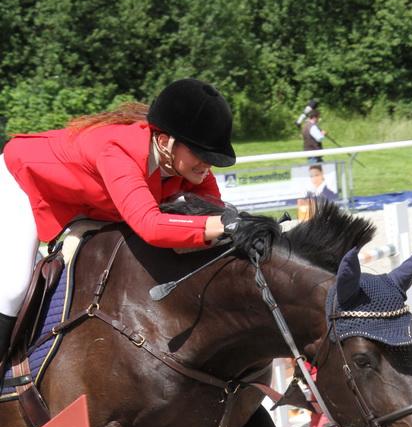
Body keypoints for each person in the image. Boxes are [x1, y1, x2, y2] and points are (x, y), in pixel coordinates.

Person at [0, 78, 237, 370]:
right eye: (201, 155)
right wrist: (221, 226)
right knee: (13, 289)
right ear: (166, 142)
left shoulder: (186, 165)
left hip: (88, 202)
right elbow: (151, 225)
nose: (207, 165)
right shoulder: (118, 152)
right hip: (21, 183)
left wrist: (239, 228)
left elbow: (214, 213)